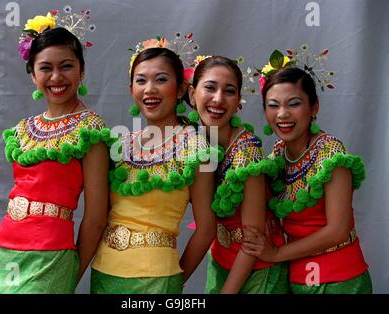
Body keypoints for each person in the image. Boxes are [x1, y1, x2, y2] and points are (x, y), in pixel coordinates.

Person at [0, 8, 111, 293]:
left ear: (82, 70)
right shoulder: (24, 128)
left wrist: (71, 273)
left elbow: (96, 217)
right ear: (33, 74)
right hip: (6, 248)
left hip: (51, 252)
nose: (56, 76)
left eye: (66, 66)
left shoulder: (91, 129)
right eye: (45, 67)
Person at [90, 37, 217, 294]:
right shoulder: (119, 145)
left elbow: (207, 228)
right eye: (141, 80)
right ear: (131, 90)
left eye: (161, 79)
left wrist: (173, 282)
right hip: (103, 272)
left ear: (181, 89)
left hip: (157, 279)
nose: (149, 89)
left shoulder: (198, 149)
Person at [241, 52, 372, 293]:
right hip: (295, 277)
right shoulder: (278, 154)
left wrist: (276, 253)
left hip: (340, 281)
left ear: (314, 107)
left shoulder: (331, 153)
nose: (282, 114)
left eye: (294, 104)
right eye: (273, 105)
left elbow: (338, 229)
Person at [188, 56, 288, 293]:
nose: (218, 99)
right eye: (210, 88)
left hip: (257, 270)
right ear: (192, 94)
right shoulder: (197, 142)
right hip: (221, 261)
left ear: (238, 102)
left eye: (229, 91)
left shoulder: (247, 152)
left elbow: (253, 241)